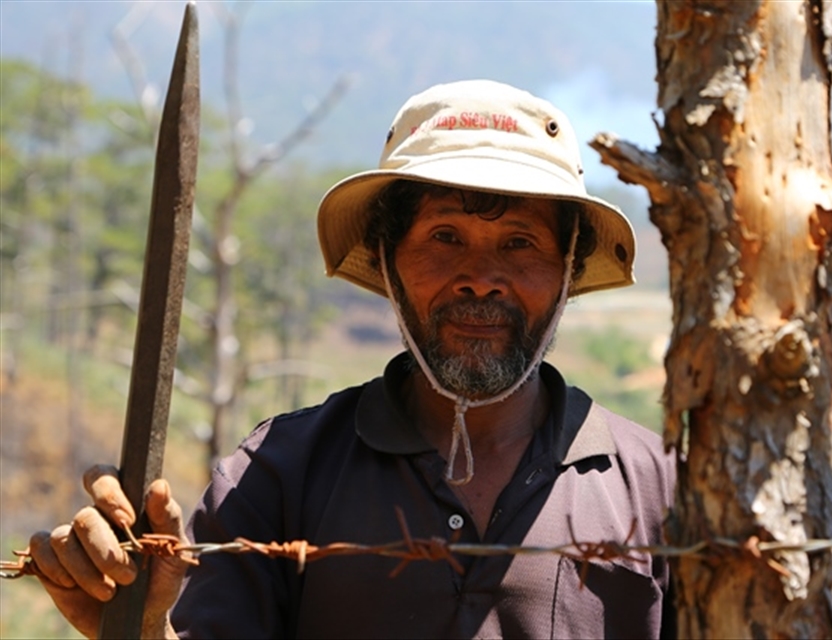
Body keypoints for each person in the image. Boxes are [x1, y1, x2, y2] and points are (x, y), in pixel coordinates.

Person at [27, 79, 675, 639]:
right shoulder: (279, 473)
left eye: (519, 241)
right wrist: (142, 626)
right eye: (445, 237)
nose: (482, 277)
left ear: (566, 270)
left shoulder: (657, 488)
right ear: (387, 257)